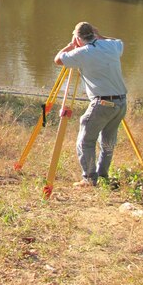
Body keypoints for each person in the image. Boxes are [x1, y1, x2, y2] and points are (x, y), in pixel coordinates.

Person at [54, 21, 127, 187]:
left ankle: (89, 178)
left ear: (78, 39)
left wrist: (70, 45)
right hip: (121, 103)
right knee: (108, 141)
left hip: (102, 103)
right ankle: (102, 175)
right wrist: (99, 36)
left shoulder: (82, 52)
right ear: (94, 34)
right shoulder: (111, 46)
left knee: (85, 141)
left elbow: (58, 60)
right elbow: (118, 41)